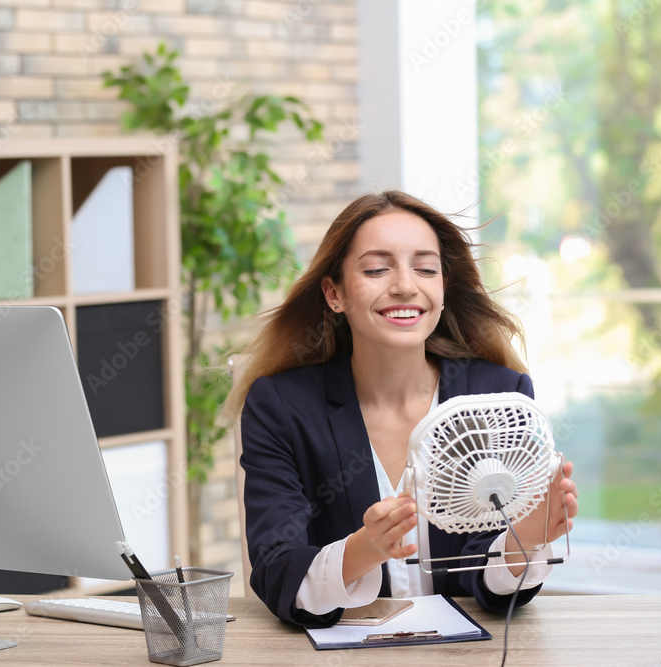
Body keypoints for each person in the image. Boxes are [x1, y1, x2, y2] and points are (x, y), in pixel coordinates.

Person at [226, 190, 579, 627]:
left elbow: (492, 589)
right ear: (334, 293)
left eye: (426, 269)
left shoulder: (499, 395)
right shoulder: (279, 406)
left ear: (443, 289)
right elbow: (277, 570)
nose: (405, 286)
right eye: (376, 269)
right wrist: (364, 549)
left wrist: (524, 538)